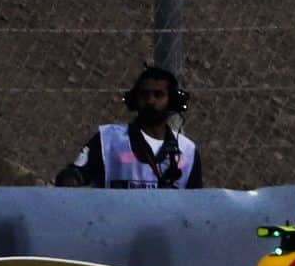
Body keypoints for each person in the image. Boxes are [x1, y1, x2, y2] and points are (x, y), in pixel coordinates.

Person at [54, 66, 203, 189]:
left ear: (171, 101)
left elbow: (195, 205)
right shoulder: (109, 139)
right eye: (144, 95)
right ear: (135, 99)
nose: (150, 100)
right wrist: (71, 179)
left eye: (158, 95)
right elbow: (77, 173)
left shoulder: (188, 152)